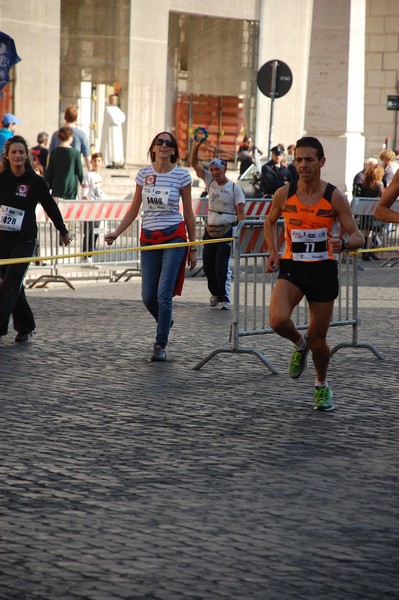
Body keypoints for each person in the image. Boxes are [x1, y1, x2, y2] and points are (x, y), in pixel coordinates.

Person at [264, 136, 364, 411]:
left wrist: (342, 243)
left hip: (322, 271)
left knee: (319, 342)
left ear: (321, 162)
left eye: (309, 159)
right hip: (293, 267)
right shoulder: (284, 194)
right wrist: (273, 251)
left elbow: (358, 236)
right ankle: (299, 343)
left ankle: (321, 385)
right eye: (298, 160)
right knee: (277, 320)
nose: (303, 165)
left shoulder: (334, 196)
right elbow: (269, 221)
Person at [105, 131, 197, 362]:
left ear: (174, 150)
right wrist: (116, 233)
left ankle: (160, 344)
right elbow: (134, 209)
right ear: (153, 148)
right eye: (160, 142)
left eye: (169, 143)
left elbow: (188, 213)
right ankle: (166, 321)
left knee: (164, 293)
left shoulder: (182, 176)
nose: (164, 146)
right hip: (148, 238)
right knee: (148, 296)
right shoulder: (143, 174)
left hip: (174, 237)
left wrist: (193, 247)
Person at [0, 135, 71, 341]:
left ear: (27, 156)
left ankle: (1, 325)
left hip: (25, 241)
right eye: (14, 152)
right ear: (7, 156)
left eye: (22, 152)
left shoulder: (35, 182)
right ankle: (26, 326)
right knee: (12, 285)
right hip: (3, 240)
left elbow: (51, 206)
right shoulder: (2, 179)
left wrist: (63, 230)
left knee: (11, 283)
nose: (18, 155)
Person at [190, 134, 246, 310]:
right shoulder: (209, 181)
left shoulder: (235, 189)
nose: (215, 173)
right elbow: (194, 163)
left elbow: (241, 213)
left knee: (221, 267)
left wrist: (239, 234)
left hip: (226, 231)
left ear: (225, 170)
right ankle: (214, 292)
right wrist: (197, 145)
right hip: (210, 230)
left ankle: (224, 297)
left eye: (218, 171)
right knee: (207, 265)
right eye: (213, 170)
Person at [352, 162, 385, 261]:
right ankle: (371, 251)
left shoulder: (364, 184)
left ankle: (365, 253)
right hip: (374, 214)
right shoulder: (378, 185)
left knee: (365, 232)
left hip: (364, 213)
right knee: (376, 232)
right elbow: (383, 198)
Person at [45, 126, 84, 200]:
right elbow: (80, 172)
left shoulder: (54, 152)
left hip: (56, 188)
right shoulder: (75, 153)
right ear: (70, 137)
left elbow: (49, 171)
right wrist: (84, 186)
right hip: (70, 189)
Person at [81, 152, 105, 265]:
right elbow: (84, 193)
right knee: (89, 231)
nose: (96, 163)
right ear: (91, 162)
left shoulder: (100, 176)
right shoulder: (88, 176)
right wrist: (89, 201)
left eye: (99, 161)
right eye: (95, 161)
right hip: (90, 208)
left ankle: (91, 255)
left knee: (95, 232)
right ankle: (85, 255)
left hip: (98, 208)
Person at [100, 94, 126, 168]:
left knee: (117, 146)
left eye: (114, 99)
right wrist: (118, 120)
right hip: (110, 131)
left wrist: (118, 119)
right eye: (112, 99)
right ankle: (110, 162)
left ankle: (117, 161)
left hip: (117, 131)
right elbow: (112, 119)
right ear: (109, 100)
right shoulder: (107, 108)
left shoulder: (117, 109)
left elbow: (123, 117)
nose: (113, 101)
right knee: (110, 145)